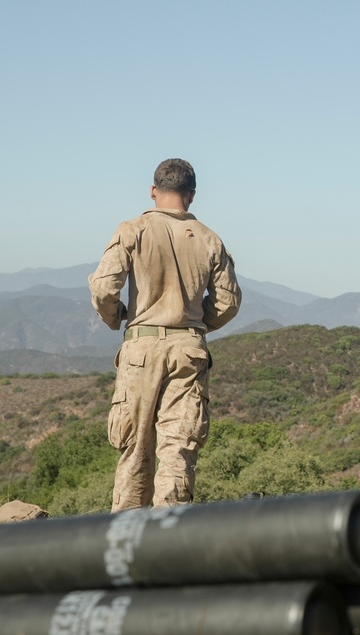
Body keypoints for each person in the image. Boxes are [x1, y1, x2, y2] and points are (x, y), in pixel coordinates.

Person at [89, 158, 242, 511]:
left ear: (154, 191)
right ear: (191, 195)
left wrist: (120, 319)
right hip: (189, 349)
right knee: (178, 449)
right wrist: (195, 325)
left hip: (141, 348)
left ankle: (126, 540)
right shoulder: (209, 239)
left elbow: (103, 288)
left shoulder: (132, 229)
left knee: (135, 449)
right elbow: (228, 302)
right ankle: (169, 538)